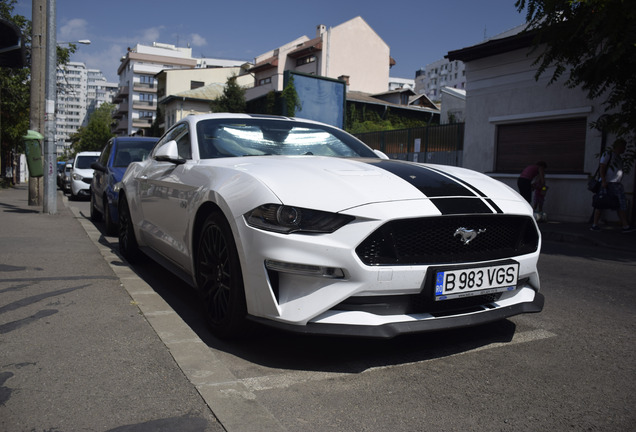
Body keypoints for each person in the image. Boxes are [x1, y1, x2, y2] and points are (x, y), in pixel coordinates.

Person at [590, 139, 635, 233]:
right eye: (623, 146)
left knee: (620, 204)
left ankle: (625, 225)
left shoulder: (618, 158)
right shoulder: (608, 154)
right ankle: (595, 224)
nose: (624, 149)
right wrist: (603, 180)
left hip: (616, 184)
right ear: (618, 146)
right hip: (607, 183)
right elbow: (602, 167)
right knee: (601, 203)